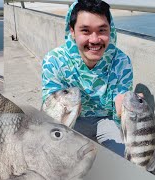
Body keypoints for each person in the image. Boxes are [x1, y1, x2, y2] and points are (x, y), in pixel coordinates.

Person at [42, 0, 133, 157]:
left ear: (110, 30)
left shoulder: (122, 62)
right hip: (74, 122)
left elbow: (121, 111)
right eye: (85, 31)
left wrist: (123, 112)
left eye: (102, 30)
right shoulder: (54, 60)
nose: (94, 40)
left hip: (107, 120)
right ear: (72, 31)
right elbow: (50, 109)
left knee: (127, 157)